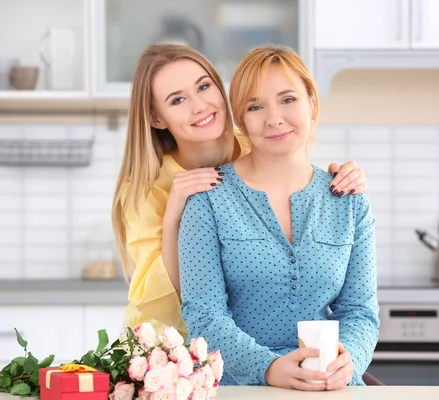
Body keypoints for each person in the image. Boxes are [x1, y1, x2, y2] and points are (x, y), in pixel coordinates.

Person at [111, 44, 369, 340]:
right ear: (157, 118)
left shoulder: (253, 144)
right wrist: (174, 216)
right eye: (178, 99)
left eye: (204, 87)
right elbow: (175, 302)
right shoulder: (146, 186)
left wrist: (343, 177)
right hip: (163, 346)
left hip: (234, 348)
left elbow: (298, 173)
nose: (199, 106)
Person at [178, 45, 379, 391]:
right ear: (240, 118)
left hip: (329, 388)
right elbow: (204, 316)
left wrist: (349, 361)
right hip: (241, 387)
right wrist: (268, 368)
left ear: (311, 103)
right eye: (255, 106)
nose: (274, 118)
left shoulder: (349, 201)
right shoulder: (208, 200)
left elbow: (361, 313)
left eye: (288, 99)